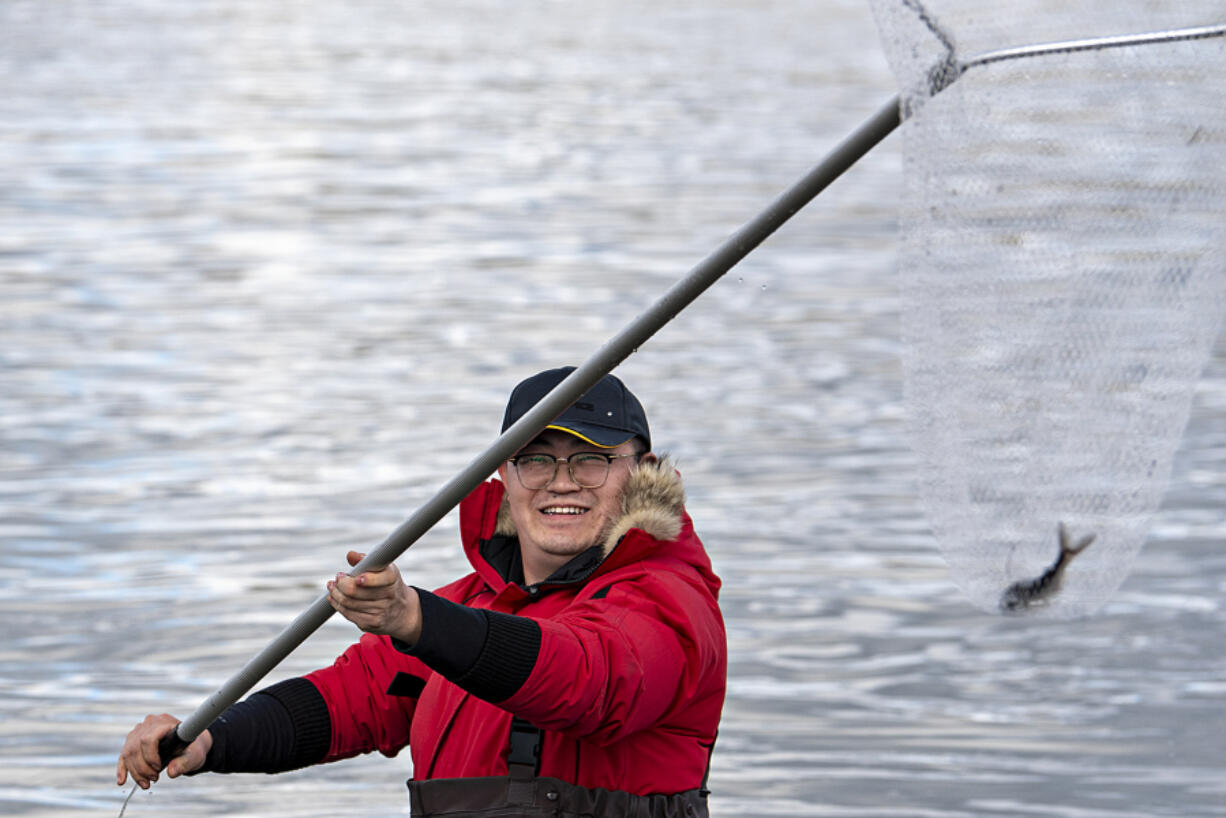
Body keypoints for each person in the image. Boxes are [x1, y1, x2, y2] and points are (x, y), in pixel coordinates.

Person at [117, 366, 727, 817]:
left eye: (592, 458)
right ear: (503, 477)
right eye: (535, 459)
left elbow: (593, 681)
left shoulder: (671, 599)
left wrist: (415, 620)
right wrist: (211, 738)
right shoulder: (464, 606)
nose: (561, 482)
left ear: (644, 471)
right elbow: (344, 702)